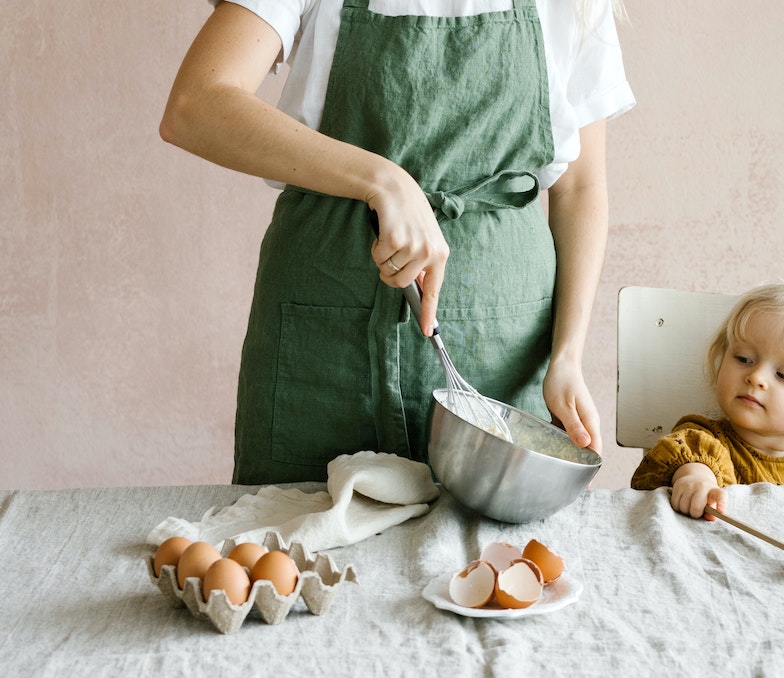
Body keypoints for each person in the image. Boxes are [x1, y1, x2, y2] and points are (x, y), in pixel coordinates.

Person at [160, 1, 635, 484]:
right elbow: (196, 103)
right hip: (319, 349)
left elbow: (580, 189)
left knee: (489, 559)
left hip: (504, 356)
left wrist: (568, 355)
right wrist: (383, 180)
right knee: (297, 548)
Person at [630, 282, 784, 519]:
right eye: (744, 359)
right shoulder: (703, 442)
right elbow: (689, 462)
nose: (756, 377)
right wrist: (695, 481)